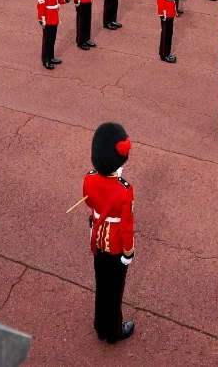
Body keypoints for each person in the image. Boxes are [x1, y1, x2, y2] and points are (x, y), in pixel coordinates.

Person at [82, 122, 136, 344]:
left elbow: (89, 204)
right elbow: (126, 226)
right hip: (115, 245)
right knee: (114, 291)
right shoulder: (125, 189)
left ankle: (99, 326)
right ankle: (113, 331)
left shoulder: (89, 178)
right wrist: (128, 252)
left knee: (101, 284)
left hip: (97, 240)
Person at [37, 0, 62, 70]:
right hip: (48, 18)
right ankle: (45, 59)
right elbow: (40, 7)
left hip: (55, 18)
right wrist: (42, 19)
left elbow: (57, 1)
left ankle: (51, 57)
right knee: (47, 40)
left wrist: (66, 0)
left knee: (52, 39)